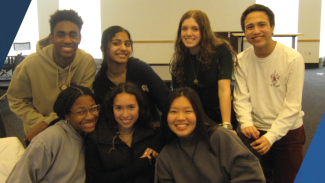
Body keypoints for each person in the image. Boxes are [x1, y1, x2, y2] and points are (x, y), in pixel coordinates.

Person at [234, 4, 305, 183]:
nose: (256, 31)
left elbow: (293, 106)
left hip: (288, 132)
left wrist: (271, 136)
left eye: (262, 25)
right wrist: (245, 123)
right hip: (256, 132)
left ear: (272, 27)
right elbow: (241, 97)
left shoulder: (292, 58)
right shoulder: (242, 59)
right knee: (257, 179)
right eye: (250, 27)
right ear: (244, 31)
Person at [7, 10, 97, 144]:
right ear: (52, 38)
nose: (67, 40)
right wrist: (42, 123)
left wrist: (47, 122)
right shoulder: (29, 64)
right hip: (39, 131)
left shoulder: (87, 62)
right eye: (61, 35)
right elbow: (17, 99)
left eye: (72, 34)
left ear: (79, 38)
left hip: (75, 130)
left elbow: (80, 102)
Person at [157, 87, 265, 183]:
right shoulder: (166, 156)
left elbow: (252, 177)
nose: (180, 117)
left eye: (188, 111)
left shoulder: (220, 137)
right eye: (174, 112)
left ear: (198, 114)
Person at [6, 86, 99, 183]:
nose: (90, 116)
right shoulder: (50, 138)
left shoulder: (91, 135)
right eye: (80, 111)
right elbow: (19, 178)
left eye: (93, 108)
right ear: (67, 115)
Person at [170, 10, 237, 129]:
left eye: (195, 29)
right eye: (184, 29)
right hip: (194, 120)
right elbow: (180, 97)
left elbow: (224, 90)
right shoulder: (179, 60)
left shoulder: (221, 51)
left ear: (204, 31)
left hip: (220, 117)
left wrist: (227, 125)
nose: (188, 33)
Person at [85, 82, 162, 183]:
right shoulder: (96, 137)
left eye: (131, 107)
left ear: (139, 107)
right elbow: (94, 180)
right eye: (119, 108)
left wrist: (157, 144)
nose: (125, 115)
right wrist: (135, 169)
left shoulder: (153, 133)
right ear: (111, 109)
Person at [93, 26, 170, 122]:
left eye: (127, 44)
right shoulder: (100, 81)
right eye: (116, 43)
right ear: (103, 49)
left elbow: (168, 103)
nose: (123, 48)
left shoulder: (140, 69)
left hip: (150, 132)